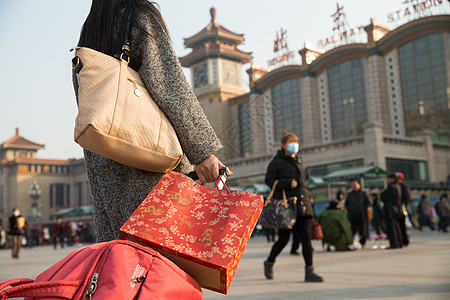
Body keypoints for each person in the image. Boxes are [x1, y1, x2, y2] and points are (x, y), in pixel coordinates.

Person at [73, 0, 224, 242]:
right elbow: (169, 83)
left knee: (124, 267)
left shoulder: (90, 29)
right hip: (154, 165)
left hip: (108, 170)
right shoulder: (138, 17)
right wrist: (202, 152)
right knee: (165, 266)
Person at [263, 131, 323, 282]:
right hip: (287, 206)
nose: (294, 146)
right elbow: (269, 180)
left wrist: (309, 201)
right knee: (283, 240)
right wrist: (286, 183)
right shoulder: (276, 162)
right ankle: (269, 261)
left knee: (306, 239)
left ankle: (309, 271)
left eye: (296, 143)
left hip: (302, 205)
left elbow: (305, 181)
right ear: (283, 145)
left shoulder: (299, 161)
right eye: (291, 143)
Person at [345, 181, 370, 248]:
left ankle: (362, 243)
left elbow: (368, 203)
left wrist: (363, 209)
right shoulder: (349, 194)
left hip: (362, 214)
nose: (354, 186)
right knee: (352, 229)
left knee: (363, 230)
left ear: (359, 185)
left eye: (355, 184)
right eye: (353, 185)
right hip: (352, 215)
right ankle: (352, 243)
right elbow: (346, 204)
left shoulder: (363, 193)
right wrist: (349, 209)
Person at [380, 173, 403, 249]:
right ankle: (399, 243)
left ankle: (394, 244)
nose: (389, 180)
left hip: (390, 209)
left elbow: (383, 195)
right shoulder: (398, 186)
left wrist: (382, 195)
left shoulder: (392, 186)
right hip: (396, 209)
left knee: (391, 227)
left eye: (390, 178)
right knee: (397, 226)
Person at [396, 172, 410, 246]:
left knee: (402, 226)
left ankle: (404, 240)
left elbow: (407, 198)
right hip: (396, 209)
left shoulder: (403, 186)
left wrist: (401, 204)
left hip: (401, 209)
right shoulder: (395, 186)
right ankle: (400, 240)